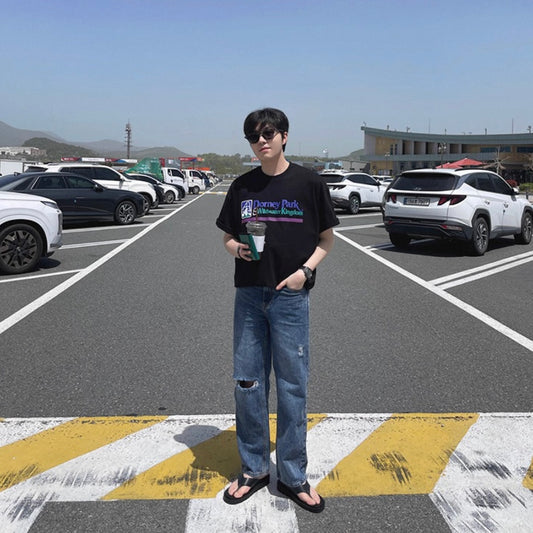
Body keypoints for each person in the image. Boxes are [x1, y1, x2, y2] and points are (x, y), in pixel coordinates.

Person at [216, 108, 339, 513]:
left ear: (284, 136)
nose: (261, 141)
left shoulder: (309, 183)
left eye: (268, 133)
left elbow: (326, 239)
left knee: (292, 387)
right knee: (248, 384)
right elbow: (227, 237)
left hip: (290, 298)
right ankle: (254, 469)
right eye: (253, 136)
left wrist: (305, 272)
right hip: (250, 296)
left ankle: (292, 475)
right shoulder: (242, 186)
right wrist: (237, 249)